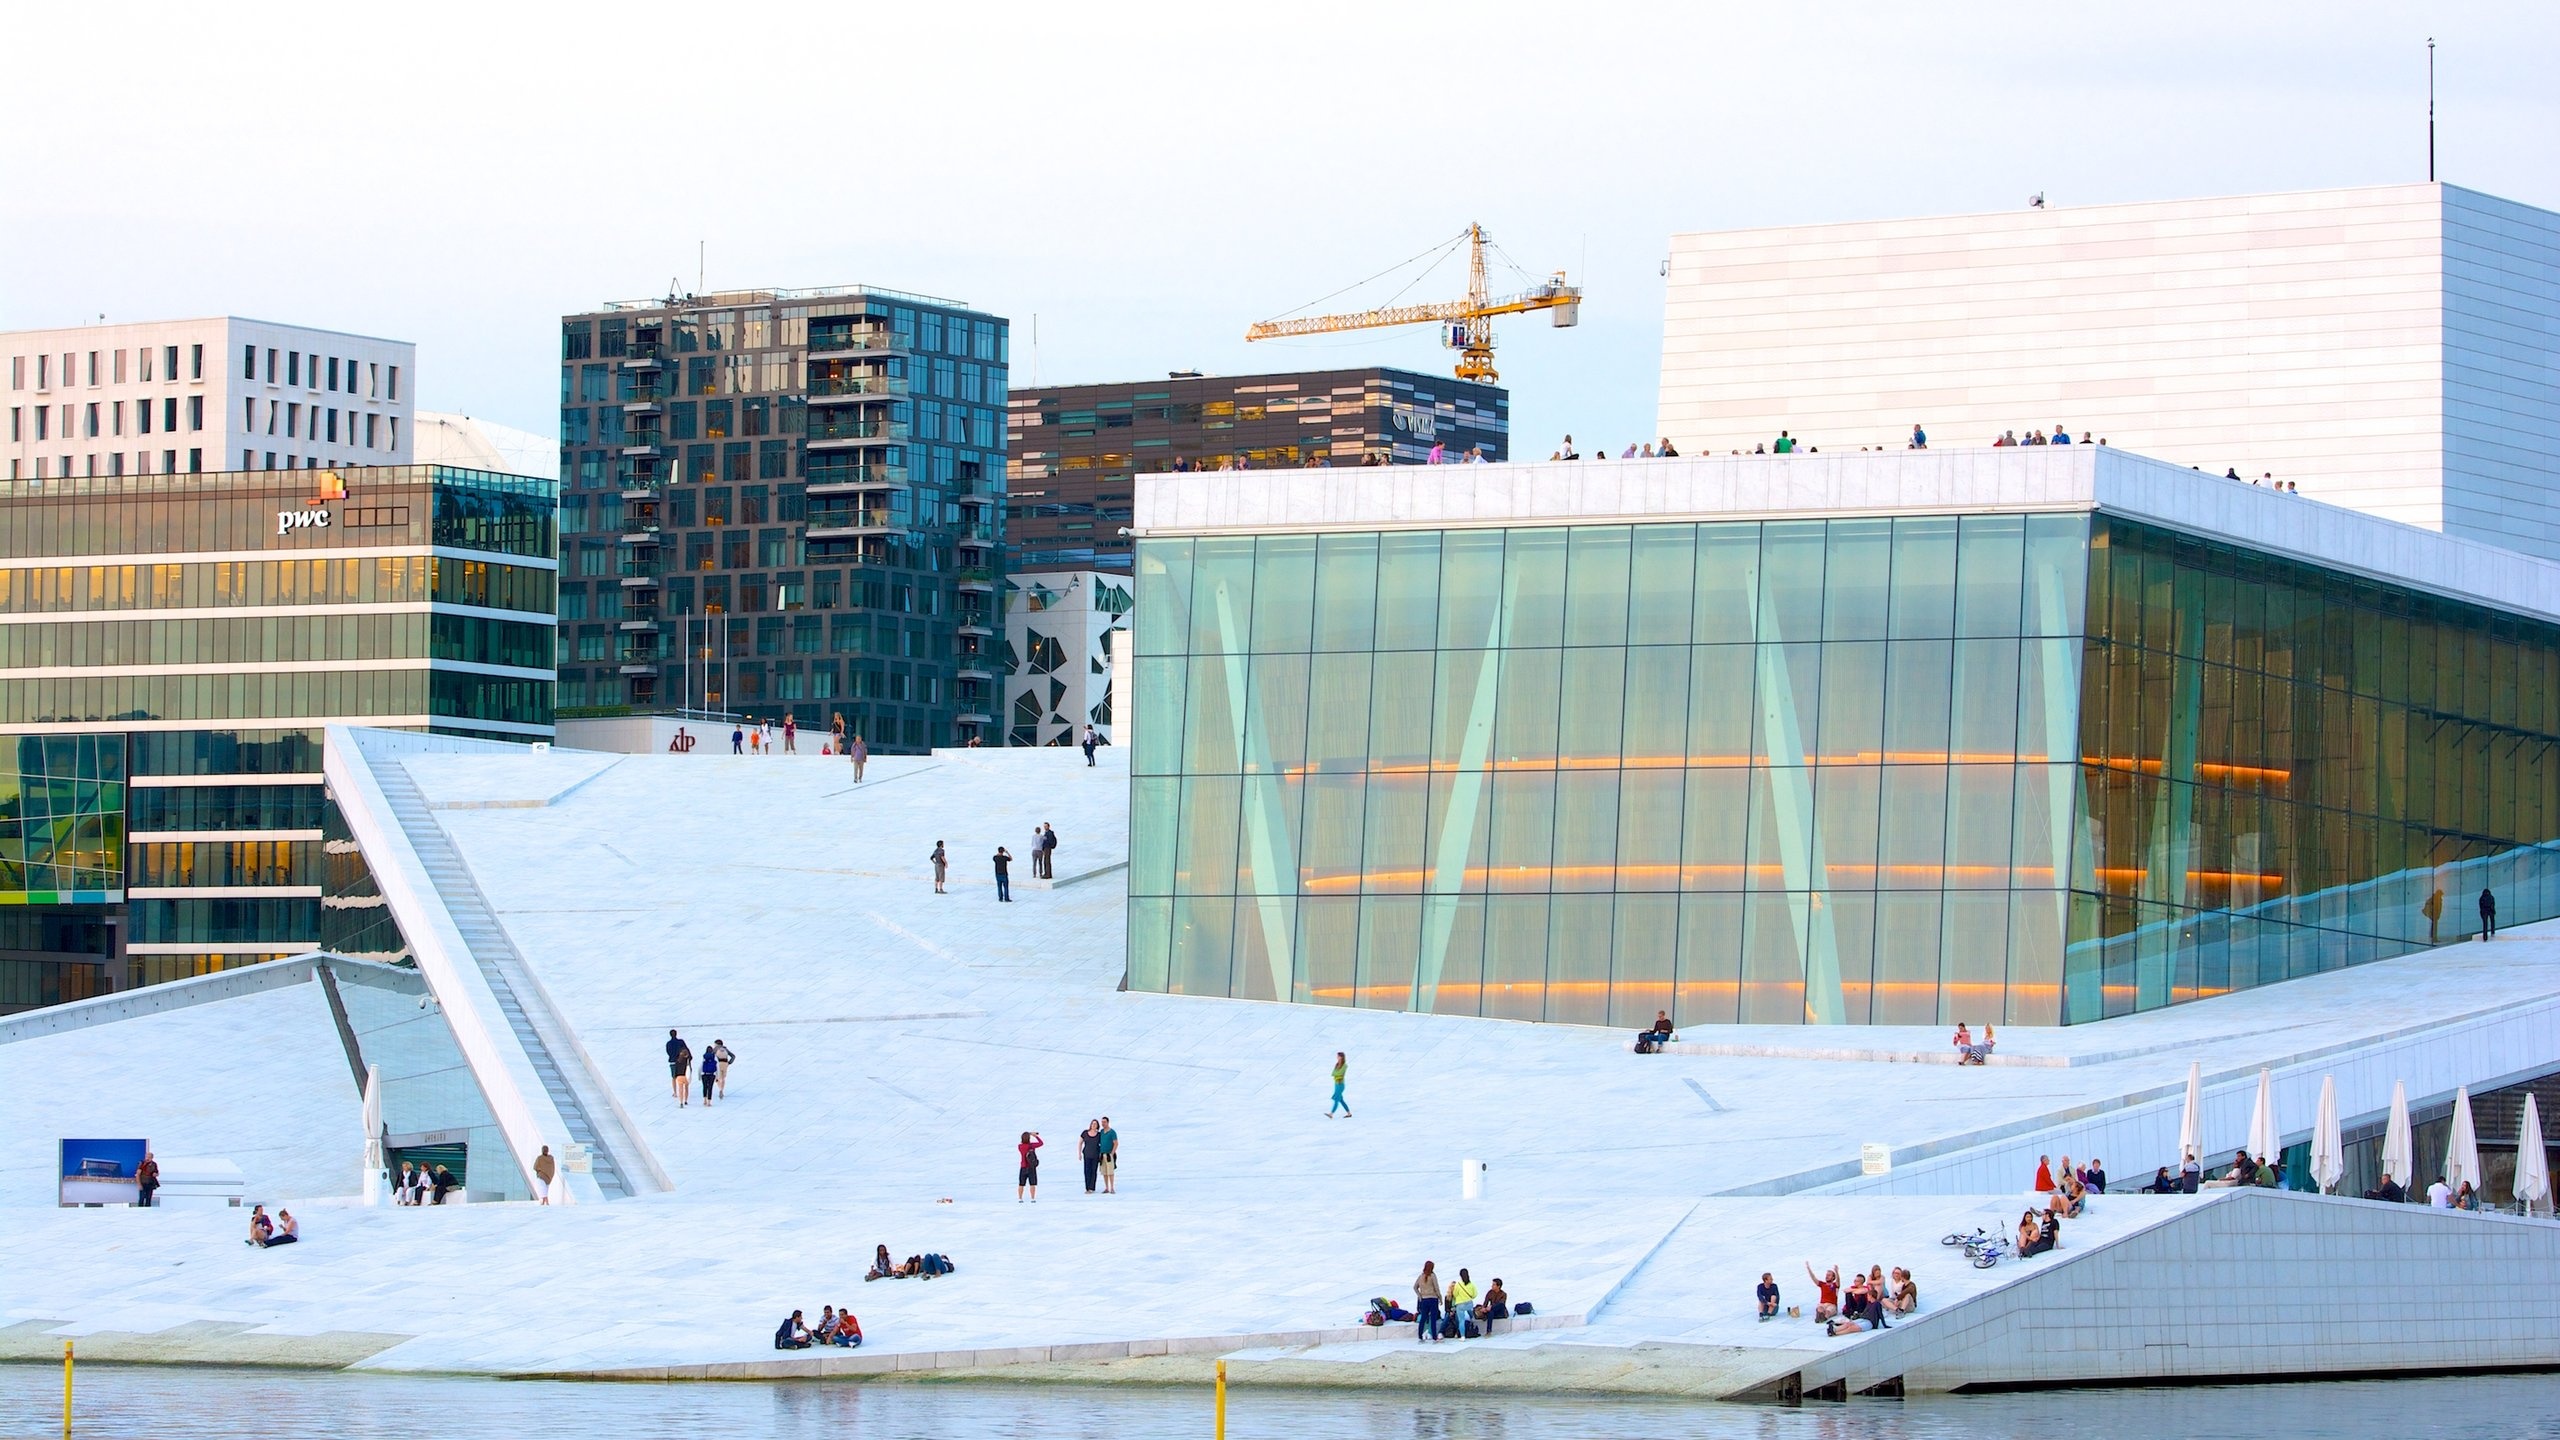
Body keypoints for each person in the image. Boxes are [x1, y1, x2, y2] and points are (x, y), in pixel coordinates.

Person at [1413, 1262, 1444, 1343]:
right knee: (1433, 1318)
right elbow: (1436, 1288)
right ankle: (1434, 1336)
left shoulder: (1421, 1276)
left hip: (1424, 1300)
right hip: (1433, 1299)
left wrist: (1420, 1296)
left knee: (1423, 1318)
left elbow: (1415, 1287)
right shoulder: (1432, 1276)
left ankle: (1420, 1335)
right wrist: (1440, 1298)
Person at [668, 1029, 693, 1107]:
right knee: (685, 1082)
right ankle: (685, 1099)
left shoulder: (668, 1043)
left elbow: (668, 1051)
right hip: (684, 1063)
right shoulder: (681, 1042)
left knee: (674, 1077)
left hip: (673, 1061)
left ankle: (675, 1092)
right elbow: (687, 1050)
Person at [1016, 1130, 1043, 1202]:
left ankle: (1020, 1198)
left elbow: (1024, 1145)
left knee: (1021, 1184)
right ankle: (1033, 1198)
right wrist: (1035, 1136)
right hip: (1031, 1167)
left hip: (1023, 1167)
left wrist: (1028, 1134)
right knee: (1032, 1184)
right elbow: (1041, 1143)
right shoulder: (1031, 1146)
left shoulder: (1020, 1146)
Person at [1079, 1120, 1103, 1195]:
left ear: (1097, 1126)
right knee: (1087, 1171)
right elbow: (1080, 1143)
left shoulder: (1099, 1135)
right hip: (1087, 1155)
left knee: (1093, 1171)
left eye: (1095, 1124)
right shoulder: (1085, 1133)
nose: (1094, 1125)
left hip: (1095, 1155)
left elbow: (1102, 1144)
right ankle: (1087, 1187)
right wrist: (1079, 1153)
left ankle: (1092, 1188)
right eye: (1093, 1123)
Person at [1098, 1117, 1119, 1194]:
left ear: (1108, 1122)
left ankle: (1112, 1188)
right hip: (1102, 1154)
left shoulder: (1112, 1132)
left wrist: (1112, 1153)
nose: (1103, 1123)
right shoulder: (1102, 1131)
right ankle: (1106, 1188)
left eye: (1104, 1122)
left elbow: (1116, 1143)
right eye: (1102, 1122)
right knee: (1104, 1172)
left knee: (1110, 1172)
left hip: (1109, 1155)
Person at [699, 1037, 721, 1108]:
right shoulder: (714, 1057)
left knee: (704, 1087)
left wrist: (699, 1075)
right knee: (710, 1088)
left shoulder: (704, 1057)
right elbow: (717, 1067)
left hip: (704, 1074)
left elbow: (700, 1067)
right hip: (712, 1074)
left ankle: (704, 1099)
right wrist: (717, 1076)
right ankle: (709, 1102)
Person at [1328, 1051, 1351, 1117]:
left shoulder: (1345, 1065)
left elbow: (1339, 1073)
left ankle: (1331, 1114)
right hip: (1336, 1084)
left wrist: (1337, 1074)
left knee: (1336, 1099)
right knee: (1341, 1100)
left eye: (1338, 1056)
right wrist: (1337, 1074)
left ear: (1341, 1057)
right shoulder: (1337, 1064)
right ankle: (1349, 1113)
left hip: (1341, 1085)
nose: (1337, 1057)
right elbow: (1333, 1073)